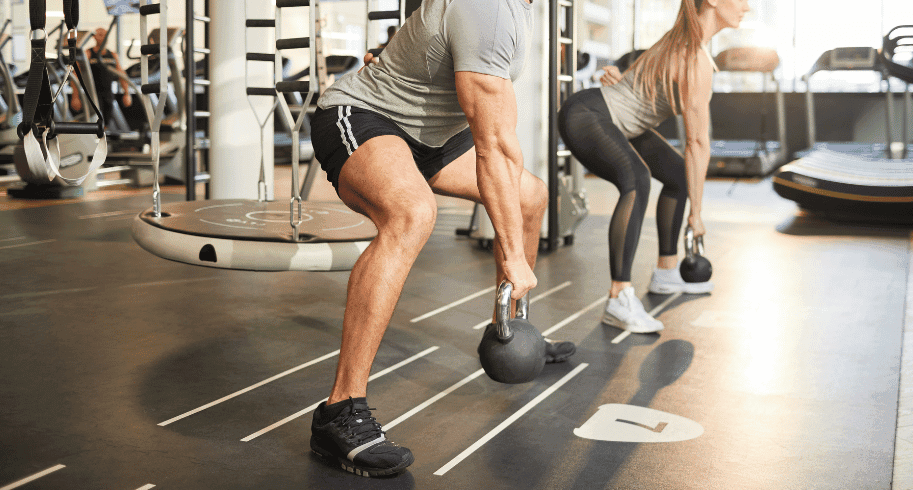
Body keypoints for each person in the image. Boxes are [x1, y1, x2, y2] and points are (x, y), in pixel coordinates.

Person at [306, 0, 576, 477]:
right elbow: (492, 146)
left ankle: (510, 331)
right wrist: (513, 255)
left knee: (531, 196)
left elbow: (501, 140)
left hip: (430, 140)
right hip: (362, 116)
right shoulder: (489, 9)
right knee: (412, 213)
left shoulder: (522, 9)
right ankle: (340, 410)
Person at [557, 0, 750, 334]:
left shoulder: (681, 39)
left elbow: (638, 78)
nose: (747, 6)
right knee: (637, 181)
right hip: (587, 115)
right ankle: (619, 297)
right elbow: (697, 144)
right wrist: (696, 216)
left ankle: (665, 271)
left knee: (676, 175)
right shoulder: (694, 59)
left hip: (611, 117)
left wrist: (621, 80)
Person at [70, 27, 132, 127]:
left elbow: (122, 75)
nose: (103, 37)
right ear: (94, 37)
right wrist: (75, 97)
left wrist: (127, 93)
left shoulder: (113, 55)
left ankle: (104, 140)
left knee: (106, 121)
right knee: (94, 120)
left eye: (105, 34)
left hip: (108, 93)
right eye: (100, 35)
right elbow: (76, 75)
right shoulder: (88, 53)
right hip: (92, 94)